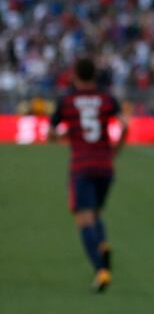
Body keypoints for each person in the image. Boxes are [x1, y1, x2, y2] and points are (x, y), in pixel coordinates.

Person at [48, 57, 129, 292]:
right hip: (105, 165)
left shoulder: (67, 100)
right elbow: (124, 124)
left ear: (75, 75)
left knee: (83, 219)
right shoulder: (107, 97)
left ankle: (100, 270)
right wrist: (116, 149)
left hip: (81, 165)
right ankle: (102, 245)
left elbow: (51, 134)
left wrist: (67, 136)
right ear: (94, 75)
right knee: (96, 211)